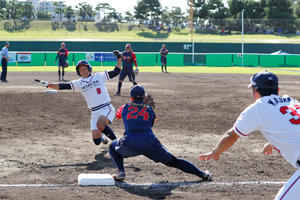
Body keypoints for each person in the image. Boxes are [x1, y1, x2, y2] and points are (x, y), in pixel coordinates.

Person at [198, 71, 300, 200]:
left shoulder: (258, 108)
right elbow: (293, 126)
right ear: (278, 89)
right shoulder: (291, 101)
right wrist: (273, 142)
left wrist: (215, 152)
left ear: (255, 91)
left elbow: (231, 135)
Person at [109, 85, 212, 181]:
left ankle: (121, 171)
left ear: (131, 97)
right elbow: (150, 123)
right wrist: (146, 106)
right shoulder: (149, 109)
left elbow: (119, 115)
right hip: (150, 142)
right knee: (173, 161)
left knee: (113, 147)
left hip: (130, 142)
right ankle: (202, 174)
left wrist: (138, 105)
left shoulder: (124, 107)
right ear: (144, 96)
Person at [37, 51, 123, 147]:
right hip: (94, 112)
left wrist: (119, 58)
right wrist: (49, 85)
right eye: (81, 70)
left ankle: (118, 143)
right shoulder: (79, 83)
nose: (83, 71)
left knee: (100, 124)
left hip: (105, 108)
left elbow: (117, 71)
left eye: (85, 68)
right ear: (79, 72)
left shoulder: (99, 76)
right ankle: (102, 137)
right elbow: (63, 86)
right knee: (97, 141)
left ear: (89, 68)